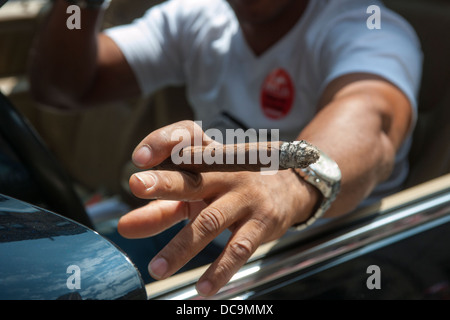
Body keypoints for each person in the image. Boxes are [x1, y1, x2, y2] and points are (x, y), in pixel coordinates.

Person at [28, 0, 422, 296]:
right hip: (197, 233)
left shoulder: (368, 28)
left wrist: (286, 183)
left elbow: (373, 122)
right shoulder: (198, 16)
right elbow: (62, 87)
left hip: (326, 260)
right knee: (46, 282)